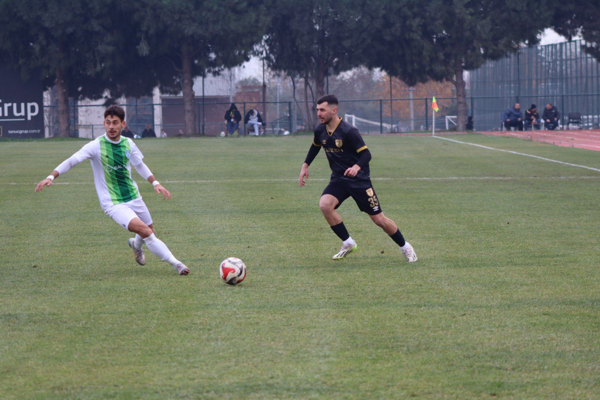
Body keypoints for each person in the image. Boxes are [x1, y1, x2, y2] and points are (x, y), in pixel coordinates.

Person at [34, 105, 190, 276]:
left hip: (133, 195)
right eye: (108, 123)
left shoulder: (128, 143)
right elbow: (72, 160)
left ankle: (136, 246)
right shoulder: (96, 145)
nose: (111, 127)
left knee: (149, 230)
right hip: (113, 203)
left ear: (123, 124)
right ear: (104, 124)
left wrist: (155, 183)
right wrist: (51, 177)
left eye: (115, 123)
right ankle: (177, 264)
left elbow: (139, 165)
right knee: (146, 232)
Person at [299, 94, 417, 262]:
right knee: (325, 205)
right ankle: (348, 243)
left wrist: (356, 167)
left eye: (322, 110)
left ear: (334, 110)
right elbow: (315, 146)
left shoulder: (349, 131)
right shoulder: (320, 130)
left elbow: (366, 154)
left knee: (379, 220)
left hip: (359, 182)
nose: (319, 113)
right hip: (339, 180)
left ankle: (406, 247)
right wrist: (305, 165)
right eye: (317, 110)